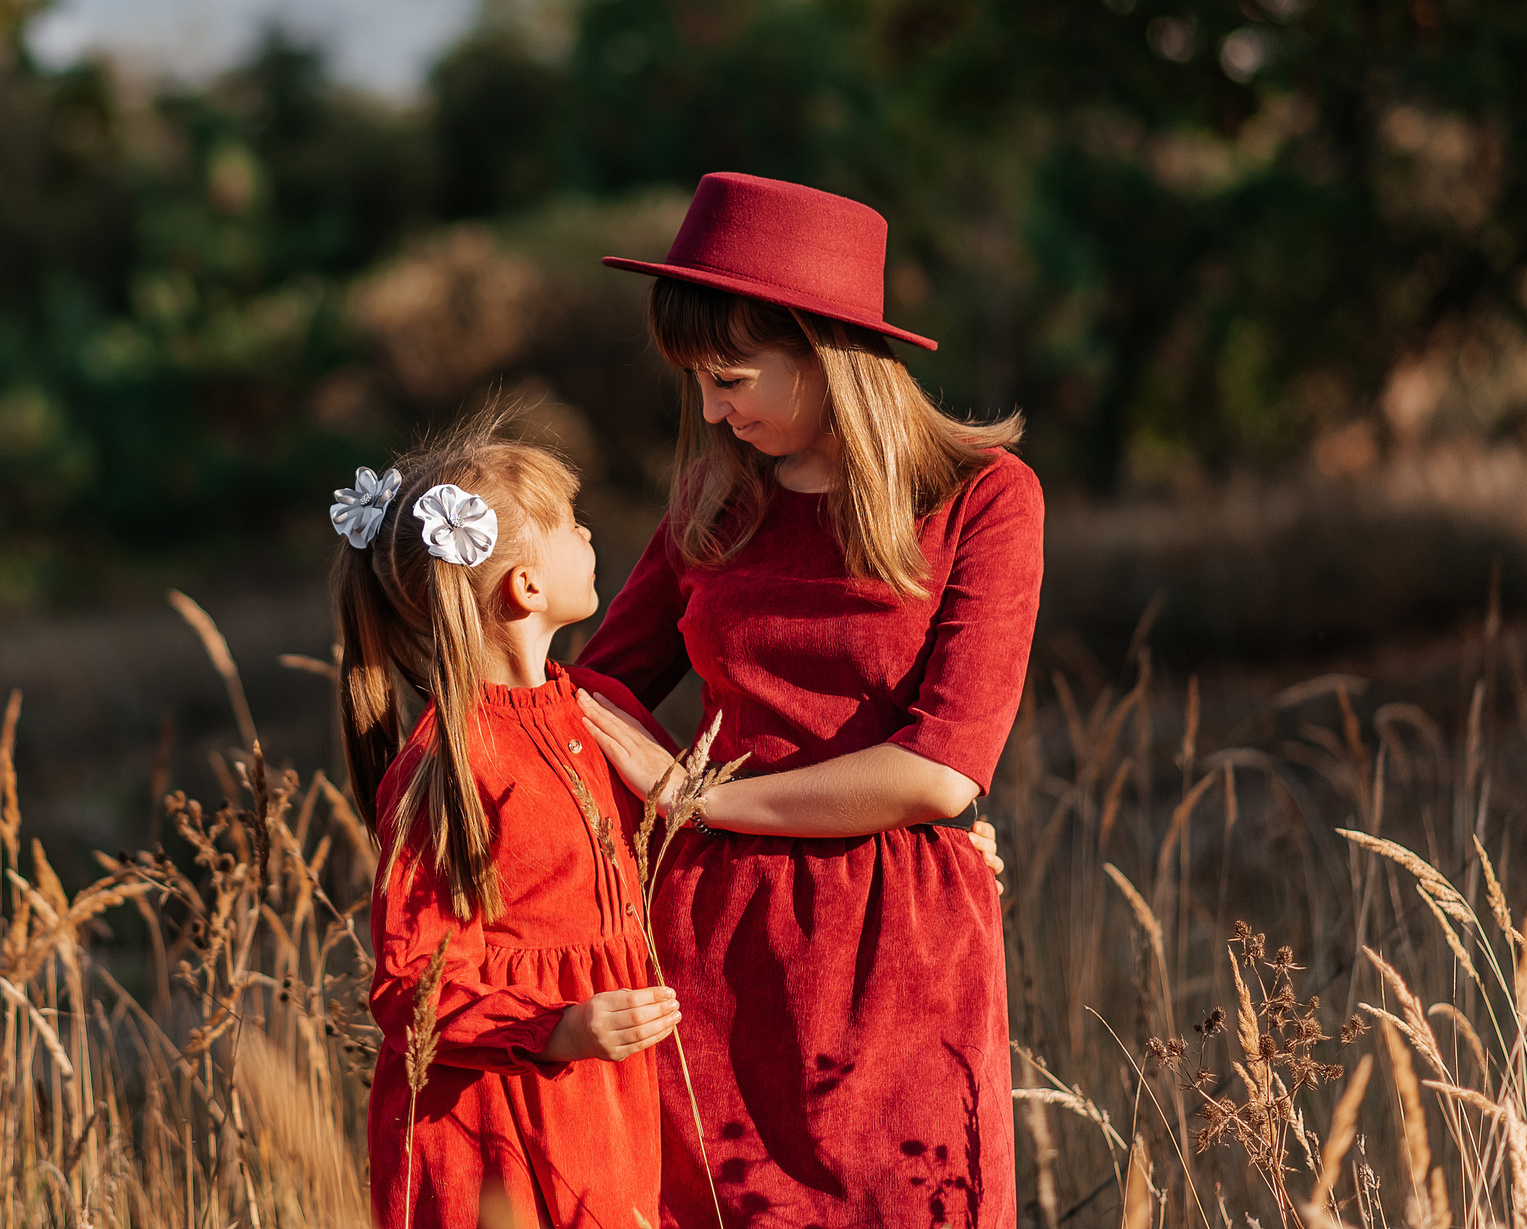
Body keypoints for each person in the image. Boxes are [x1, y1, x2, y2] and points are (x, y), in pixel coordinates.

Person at [576, 172, 1045, 1229]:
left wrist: (694, 797)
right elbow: (592, 692)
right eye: (695, 378)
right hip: (704, 948)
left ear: (824, 348)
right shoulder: (710, 501)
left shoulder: (982, 497)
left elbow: (939, 768)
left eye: (731, 374)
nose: (710, 409)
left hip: (900, 948)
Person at [333, 417, 681, 1229]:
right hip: (497, 1124)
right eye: (571, 523)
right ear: (525, 585)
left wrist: (926, 838)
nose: (591, 532)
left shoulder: (600, 710)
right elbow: (405, 985)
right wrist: (553, 1026)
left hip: (608, 1102)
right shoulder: (447, 763)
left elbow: (695, 835)